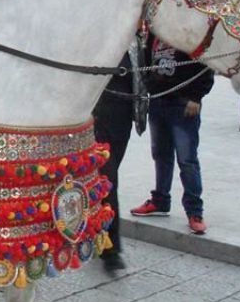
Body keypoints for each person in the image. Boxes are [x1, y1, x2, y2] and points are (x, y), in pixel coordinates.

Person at [130, 36, 214, 235]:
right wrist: (150, 84)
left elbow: (206, 66)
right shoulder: (154, 34)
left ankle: (195, 211)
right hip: (159, 101)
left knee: (187, 160)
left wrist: (196, 96)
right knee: (161, 155)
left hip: (183, 102)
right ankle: (160, 200)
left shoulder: (186, 31)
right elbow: (147, 61)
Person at [92, 45, 144, 271]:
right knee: (109, 181)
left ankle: (98, 232)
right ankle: (110, 249)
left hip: (123, 118)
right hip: (97, 118)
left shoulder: (133, 42)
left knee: (106, 182)